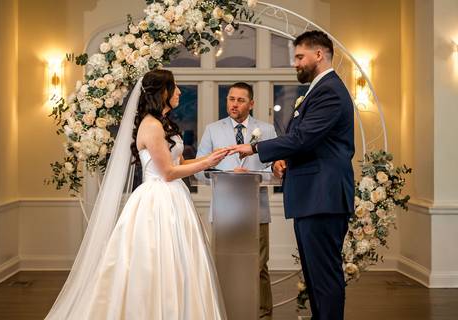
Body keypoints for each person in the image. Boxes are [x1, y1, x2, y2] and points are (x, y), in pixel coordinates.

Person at [45, 69, 229, 319]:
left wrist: (216, 156)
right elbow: (168, 173)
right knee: (154, 261)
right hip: (157, 201)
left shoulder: (164, 124)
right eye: (174, 87)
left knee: (180, 262)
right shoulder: (151, 126)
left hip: (175, 199)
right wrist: (207, 164)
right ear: (162, 92)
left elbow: (181, 162)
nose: (179, 92)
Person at [229, 30, 355, 320]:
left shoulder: (330, 91)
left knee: (324, 277)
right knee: (315, 276)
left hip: (322, 195)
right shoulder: (318, 90)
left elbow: (304, 138)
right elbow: (307, 140)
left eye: (300, 56)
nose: (295, 63)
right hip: (312, 195)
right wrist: (285, 157)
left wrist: (254, 147)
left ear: (319, 54)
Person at [195, 82, 277, 319]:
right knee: (224, 265)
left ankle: (263, 315)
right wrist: (225, 176)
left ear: (251, 104)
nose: (234, 104)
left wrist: (254, 176)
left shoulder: (267, 130)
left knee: (259, 266)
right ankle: (223, 312)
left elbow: (277, 169)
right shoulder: (213, 129)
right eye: (231, 99)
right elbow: (200, 170)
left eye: (241, 100)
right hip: (223, 212)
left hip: (256, 211)